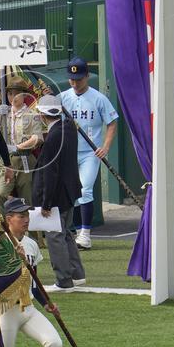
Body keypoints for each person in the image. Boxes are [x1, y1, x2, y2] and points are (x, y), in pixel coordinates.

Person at [0, 198, 64, 347]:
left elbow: (32, 282)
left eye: (27, 215)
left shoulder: (32, 245)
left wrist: (47, 303)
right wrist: (15, 261)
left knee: (54, 344)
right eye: (21, 216)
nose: (26, 220)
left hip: (27, 308)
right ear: (9, 220)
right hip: (5, 310)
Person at [59, 57, 118, 250]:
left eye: (79, 78)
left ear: (86, 76)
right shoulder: (64, 97)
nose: (75, 83)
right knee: (73, 192)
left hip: (90, 153)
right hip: (68, 152)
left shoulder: (98, 98)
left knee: (85, 190)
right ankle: (77, 233)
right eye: (72, 79)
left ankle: (85, 234)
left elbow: (112, 122)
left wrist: (106, 147)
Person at [32, 95, 86, 290]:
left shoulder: (55, 136)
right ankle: (77, 274)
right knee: (66, 235)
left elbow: (50, 172)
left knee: (55, 236)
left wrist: (46, 203)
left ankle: (64, 280)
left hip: (57, 195)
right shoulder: (69, 128)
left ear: (42, 115)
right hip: (69, 191)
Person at [0, 76, 45, 209]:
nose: (13, 97)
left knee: (27, 198)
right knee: (0, 193)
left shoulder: (32, 114)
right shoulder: (3, 115)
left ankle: (28, 229)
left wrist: (17, 147)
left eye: (17, 93)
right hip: (7, 161)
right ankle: (5, 227)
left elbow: (36, 138)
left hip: (25, 159)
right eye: (10, 93)